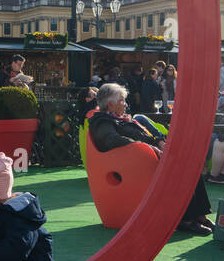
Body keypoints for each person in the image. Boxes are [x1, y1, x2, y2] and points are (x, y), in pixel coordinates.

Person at [88, 83, 214, 236]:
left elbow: (145, 135)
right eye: (122, 100)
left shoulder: (122, 119)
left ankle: (199, 216)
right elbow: (111, 140)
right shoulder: (102, 121)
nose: (126, 104)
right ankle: (185, 220)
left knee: (191, 167)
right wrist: (144, 146)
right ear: (110, 104)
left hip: (147, 159)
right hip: (134, 167)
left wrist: (158, 141)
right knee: (181, 172)